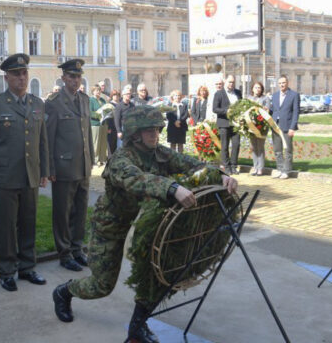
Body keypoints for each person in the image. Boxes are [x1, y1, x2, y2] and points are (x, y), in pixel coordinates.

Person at [51, 105, 238, 343]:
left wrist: (219, 175)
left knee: (160, 275)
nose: (154, 134)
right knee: (101, 286)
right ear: (134, 133)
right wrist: (172, 188)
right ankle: (64, 292)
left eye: (157, 129)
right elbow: (136, 179)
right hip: (112, 226)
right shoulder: (121, 159)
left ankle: (136, 329)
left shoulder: (159, 152)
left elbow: (191, 164)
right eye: (147, 130)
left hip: (149, 227)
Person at [0, 53, 49, 292]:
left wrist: (44, 170)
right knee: (6, 226)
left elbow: (42, 142)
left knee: (28, 222)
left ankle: (27, 267)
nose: (21, 77)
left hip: (30, 173)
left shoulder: (37, 104)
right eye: (16, 74)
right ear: (6, 77)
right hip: (5, 175)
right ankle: (7, 270)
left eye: (24, 73)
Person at [45, 58, 95, 272]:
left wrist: (91, 159)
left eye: (78, 76)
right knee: (63, 212)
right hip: (64, 167)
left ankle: (77, 249)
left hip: (82, 166)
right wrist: (50, 169)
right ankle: (64, 253)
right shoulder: (54, 102)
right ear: (63, 78)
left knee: (81, 210)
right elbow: (47, 138)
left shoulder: (84, 100)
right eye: (71, 76)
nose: (75, 80)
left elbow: (87, 133)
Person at [270, 76, 300, 180]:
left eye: (283, 82)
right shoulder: (274, 95)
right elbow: (272, 110)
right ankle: (280, 169)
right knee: (277, 150)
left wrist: (293, 127)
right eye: (280, 83)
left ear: (287, 83)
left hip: (287, 126)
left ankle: (287, 171)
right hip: (275, 126)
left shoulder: (294, 95)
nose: (282, 85)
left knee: (287, 149)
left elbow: (296, 112)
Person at [212, 75, 242, 174]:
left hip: (236, 124)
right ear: (225, 82)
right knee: (224, 146)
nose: (231, 84)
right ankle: (226, 166)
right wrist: (226, 111)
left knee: (236, 144)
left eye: (233, 82)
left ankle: (234, 166)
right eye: (229, 82)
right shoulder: (219, 93)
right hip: (224, 123)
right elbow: (215, 109)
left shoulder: (238, 93)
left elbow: (241, 106)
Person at [248, 82, 270, 176]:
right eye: (256, 87)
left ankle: (260, 168)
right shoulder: (249, 98)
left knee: (260, 147)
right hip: (251, 127)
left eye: (259, 87)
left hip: (262, 127)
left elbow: (268, 111)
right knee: (253, 147)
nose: (257, 89)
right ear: (252, 89)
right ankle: (255, 167)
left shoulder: (265, 99)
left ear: (262, 89)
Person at [89, 84, 108, 166]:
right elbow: (90, 113)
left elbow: (106, 110)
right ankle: (95, 159)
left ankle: (102, 159)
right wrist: (99, 115)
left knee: (103, 143)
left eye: (99, 90)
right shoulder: (90, 100)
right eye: (97, 90)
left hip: (104, 124)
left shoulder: (103, 100)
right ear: (93, 91)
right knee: (95, 143)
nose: (98, 92)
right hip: (95, 124)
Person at [105, 89, 121, 156]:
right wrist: (108, 128)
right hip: (111, 127)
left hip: (119, 127)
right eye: (114, 95)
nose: (116, 96)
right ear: (112, 96)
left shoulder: (120, 104)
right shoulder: (109, 105)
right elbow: (107, 117)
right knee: (111, 144)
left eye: (117, 95)